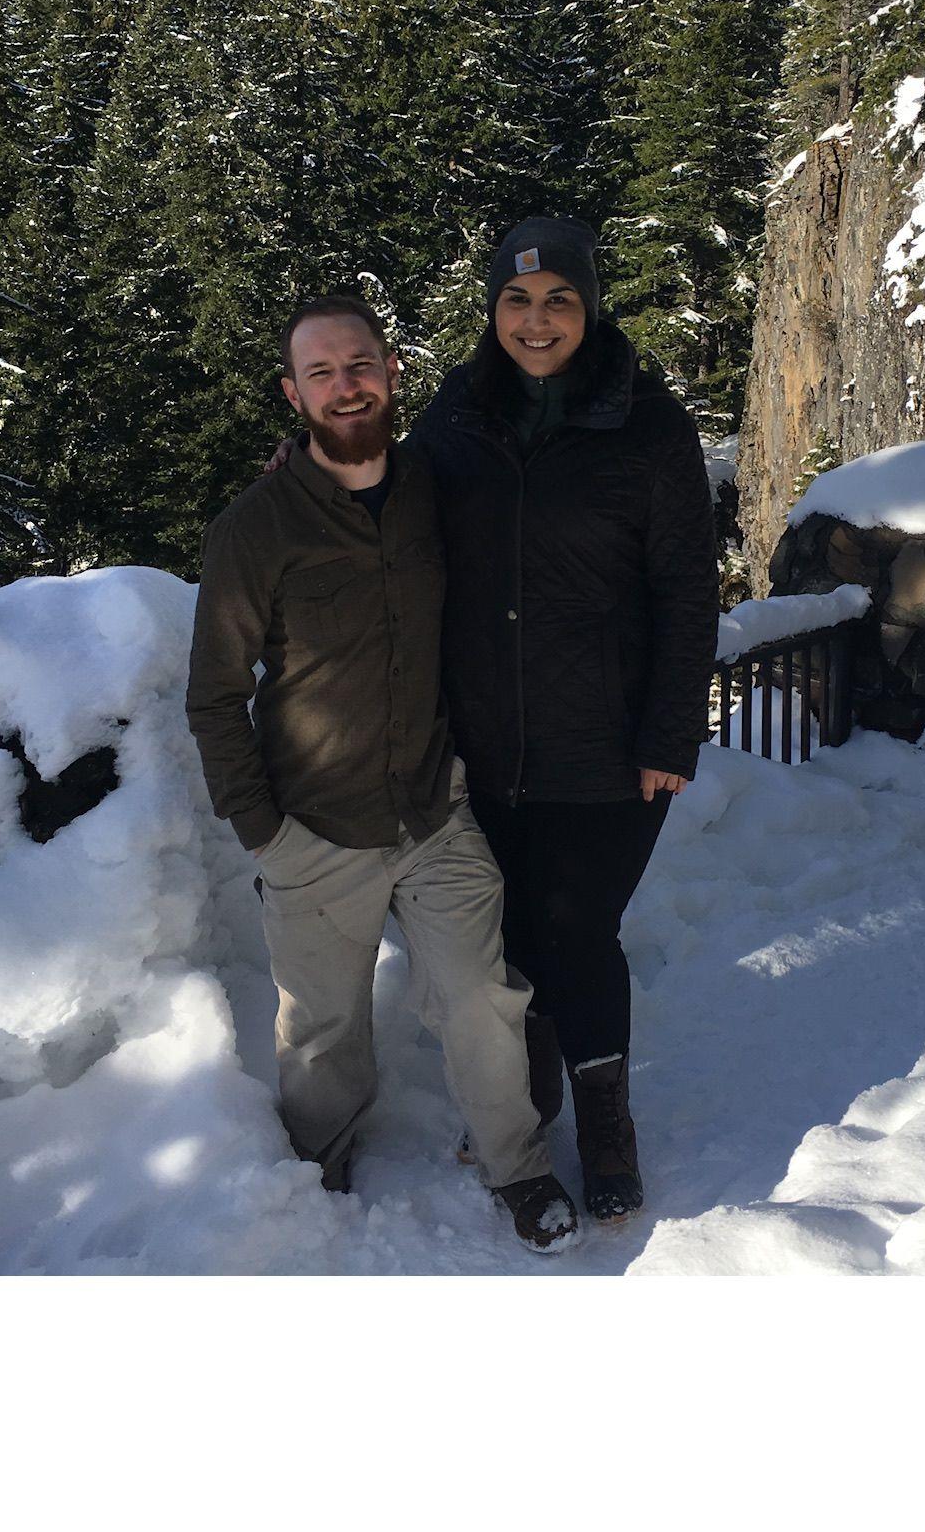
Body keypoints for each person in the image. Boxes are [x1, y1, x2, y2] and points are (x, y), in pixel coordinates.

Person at [185, 295, 580, 1254]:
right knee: (322, 1031)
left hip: (432, 808)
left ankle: (516, 1165)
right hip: (313, 827)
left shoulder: (429, 489)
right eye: (320, 372)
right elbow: (213, 694)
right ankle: (315, 1172)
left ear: (391, 368)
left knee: (483, 999)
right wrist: (263, 833)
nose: (344, 385)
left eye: (358, 363)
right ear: (292, 393)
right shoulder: (255, 529)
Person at [409, 219, 719, 1222]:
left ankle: (607, 1123)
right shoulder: (454, 418)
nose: (536, 321)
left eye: (559, 303)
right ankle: (527, 1101)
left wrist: (670, 736)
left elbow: (685, 594)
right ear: (491, 309)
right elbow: (393, 523)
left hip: (608, 743)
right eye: (516, 300)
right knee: (509, 935)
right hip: (487, 737)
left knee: (578, 929)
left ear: (590, 310)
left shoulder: (650, 428)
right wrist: (308, 480)